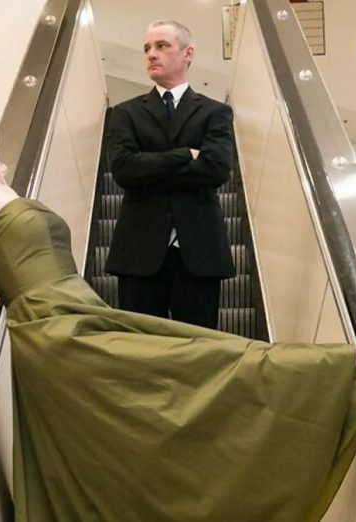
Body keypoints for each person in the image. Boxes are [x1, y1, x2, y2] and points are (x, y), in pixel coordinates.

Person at [0, 95, 356, 522]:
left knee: (209, 348)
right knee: (202, 363)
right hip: (54, 336)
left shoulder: (7, 190)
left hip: (81, 310)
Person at [105, 20, 235, 329]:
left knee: (201, 351)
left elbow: (216, 169)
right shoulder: (125, 113)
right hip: (139, 253)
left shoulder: (215, 112)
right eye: (147, 48)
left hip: (199, 251)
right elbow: (124, 170)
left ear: (188, 54)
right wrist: (184, 155)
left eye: (162, 46)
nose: (151, 54)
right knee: (143, 352)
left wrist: (149, 166)